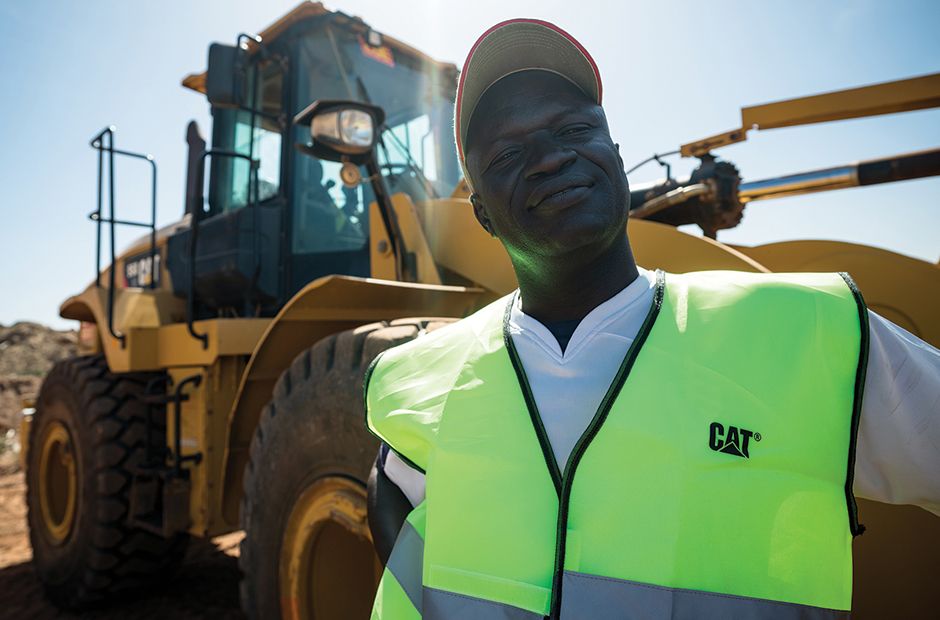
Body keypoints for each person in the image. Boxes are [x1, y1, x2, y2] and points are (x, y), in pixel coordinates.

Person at [364, 19, 940, 619]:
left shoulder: (812, 338)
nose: (552, 157)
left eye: (576, 128)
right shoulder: (416, 385)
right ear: (479, 210)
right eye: (509, 153)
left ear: (615, 155)